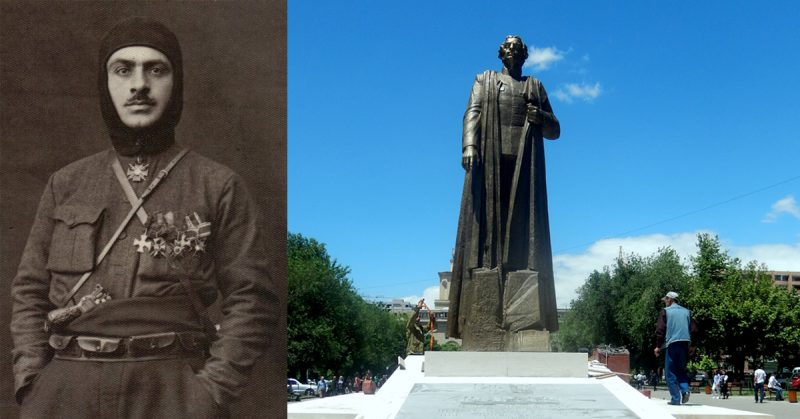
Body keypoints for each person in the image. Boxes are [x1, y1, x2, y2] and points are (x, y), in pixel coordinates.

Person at [9, 17, 278, 418]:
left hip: (171, 389)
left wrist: (210, 394)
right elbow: (30, 292)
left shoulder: (217, 184)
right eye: (123, 70)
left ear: (177, 82)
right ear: (107, 84)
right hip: (67, 388)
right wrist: (33, 382)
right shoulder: (66, 183)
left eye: (156, 69)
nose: (139, 85)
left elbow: (252, 299)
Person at [448, 35, 560, 350]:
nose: (513, 51)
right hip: (491, 160)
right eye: (508, 47)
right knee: (487, 229)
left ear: (524, 55)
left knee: (524, 232)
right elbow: (472, 113)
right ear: (501, 53)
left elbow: (555, 130)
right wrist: (469, 144)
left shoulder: (534, 86)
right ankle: (487, 307)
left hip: (525, 164)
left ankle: (520, 313)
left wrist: (542, 118)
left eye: (518, 48)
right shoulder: (484, 80)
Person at [654, 291, 698, 406]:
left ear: (670, 299)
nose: (665, 302)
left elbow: (660, 330)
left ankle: (675, 399)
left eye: (666, 300)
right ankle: (685, 390)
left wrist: (658, 346)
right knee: (681, 370)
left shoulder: (665, 311)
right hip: (685, 344)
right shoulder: (687, 312)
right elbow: (694, 330)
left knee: (670, 372)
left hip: (672, 344)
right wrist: (693, 346)